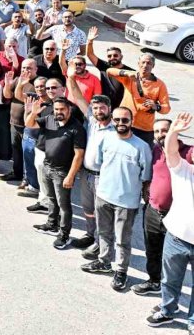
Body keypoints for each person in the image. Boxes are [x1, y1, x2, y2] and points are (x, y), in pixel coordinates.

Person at [80, 106, 152, 292]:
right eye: (117, 120)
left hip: (126, 203)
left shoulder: (142, 147)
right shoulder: (105, 139)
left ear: (132, 121)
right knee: (103, 233)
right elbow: (99, 162)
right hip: (103, 195)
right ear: (113, 120)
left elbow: (146, 177)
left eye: (125, 120)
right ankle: (104, 261)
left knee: (122, 240)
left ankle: (121, 271)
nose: (121, 123)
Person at [144, 112, 194, 330]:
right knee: (170, 281)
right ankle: (167, 311)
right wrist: (173, 130)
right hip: (177, 236)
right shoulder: (183, 169)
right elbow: (171, 149)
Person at [67, 66, 115, 259]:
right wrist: (71, 78)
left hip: (102, 177)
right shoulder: (92, 120)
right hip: (86, 173)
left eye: (102, 107)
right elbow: (78, 97)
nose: (98, 110)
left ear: (109, 109)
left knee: (101, 211)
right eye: (95, 107)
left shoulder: (116, 128)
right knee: (88, 209)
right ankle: (90, 234)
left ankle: (99, 243)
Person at [26, 96, 86, 250]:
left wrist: (71, 176)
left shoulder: (77, 128)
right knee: (51, 199)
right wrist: (33, 113)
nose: (59, 112)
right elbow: (29, 124)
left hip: (62, 172)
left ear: (69, 110)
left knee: (64, 205)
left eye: (62, 109)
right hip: (47, 166)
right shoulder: (49, 119)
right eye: (56, 109)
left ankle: (64, 235)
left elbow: (79, 155)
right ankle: (52, 224)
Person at [107, 53, 170, 146]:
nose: (145, 65)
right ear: (138, 64)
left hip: (144, 128)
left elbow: (166, 108)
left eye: (149, 63)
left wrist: (156, 106)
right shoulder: (130, 77)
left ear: (153, 66)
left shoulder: (160, 84)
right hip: (124, 122)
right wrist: (126, 73)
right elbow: (109, 71)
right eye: (143, 62)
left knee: (144, 155)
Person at [2, 58, 37, 184]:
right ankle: (17, 173)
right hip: (14, 122)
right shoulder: (17, 79)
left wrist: (21, 85)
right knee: (16, 150)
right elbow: (7, 95)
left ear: (36, 69)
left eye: (29, 68)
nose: (25, 70)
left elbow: (20, 97)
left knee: (28, 153)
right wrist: (7, 84)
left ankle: (28, 179)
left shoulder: (38, 83)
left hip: (29, 125)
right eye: (23, 68)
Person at [84, 26, 131, 110]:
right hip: (104, 106)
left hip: (121, 107)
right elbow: (90, 54)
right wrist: (90, 41)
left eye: (115, 55)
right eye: (109, 56)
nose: (112, 57)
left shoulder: (129, 71)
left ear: (121, 56)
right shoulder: (104, 66)